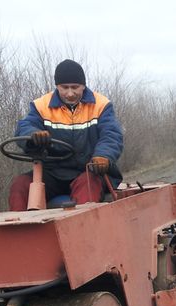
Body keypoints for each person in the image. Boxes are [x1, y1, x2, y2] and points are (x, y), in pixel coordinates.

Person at [7, 59, 124, 210]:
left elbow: (111, 134)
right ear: (57, 86)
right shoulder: (41, 106)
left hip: (88, 170)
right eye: (64, 87)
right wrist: (33, 135)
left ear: (83, 85)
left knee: (88, 185)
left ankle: (82, 230)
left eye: (75, 87)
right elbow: (25, 126)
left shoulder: (100, 105)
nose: (70, 93)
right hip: (53, 173)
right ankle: (21, 231)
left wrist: (104, 155)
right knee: (20, 185)